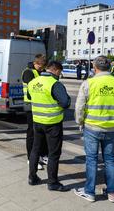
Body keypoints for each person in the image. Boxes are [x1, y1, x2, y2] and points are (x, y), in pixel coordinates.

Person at [74, 56, 114, 203]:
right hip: (111, 128)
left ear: (94, 67)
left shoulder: (89, 83)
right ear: (110, 67)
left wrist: (79, 121)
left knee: (91, 160)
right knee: (110, 160)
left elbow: (79, 106)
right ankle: (112, 193)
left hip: (92, 127)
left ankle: (90, 192)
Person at [27, 61, 71, 191]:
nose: (60, 75)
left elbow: (30, 96)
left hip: (37, 122)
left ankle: (32, 177)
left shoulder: (33, 82)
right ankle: (52, 183)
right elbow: (66, 102)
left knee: (35, 149)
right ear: (56, 70)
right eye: (60, 72)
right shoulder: (55, 84)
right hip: (52, 123)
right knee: (53, 153)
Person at [21, 54, 48, 170]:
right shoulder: (28, 72)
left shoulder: (39, 72)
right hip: (30, 105)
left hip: (39, 105)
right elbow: (35, 87)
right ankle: (30, 159)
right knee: (32, 133)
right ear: (36, 63)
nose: (42, 69)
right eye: (41, 67)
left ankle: (41, 155)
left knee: (41, 132)